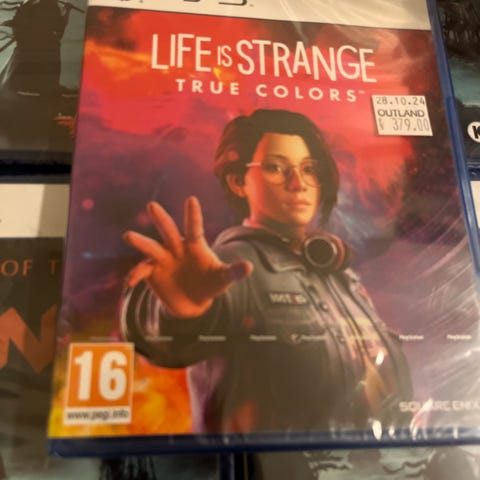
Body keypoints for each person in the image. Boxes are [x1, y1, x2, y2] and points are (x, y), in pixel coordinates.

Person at [120, 109, 412, 434]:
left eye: (309, 169)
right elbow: (164, 336)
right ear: (238, 181)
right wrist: (182, 310)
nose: (298, 184)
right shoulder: (231, 268)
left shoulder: (334, 272)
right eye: (275, 167)